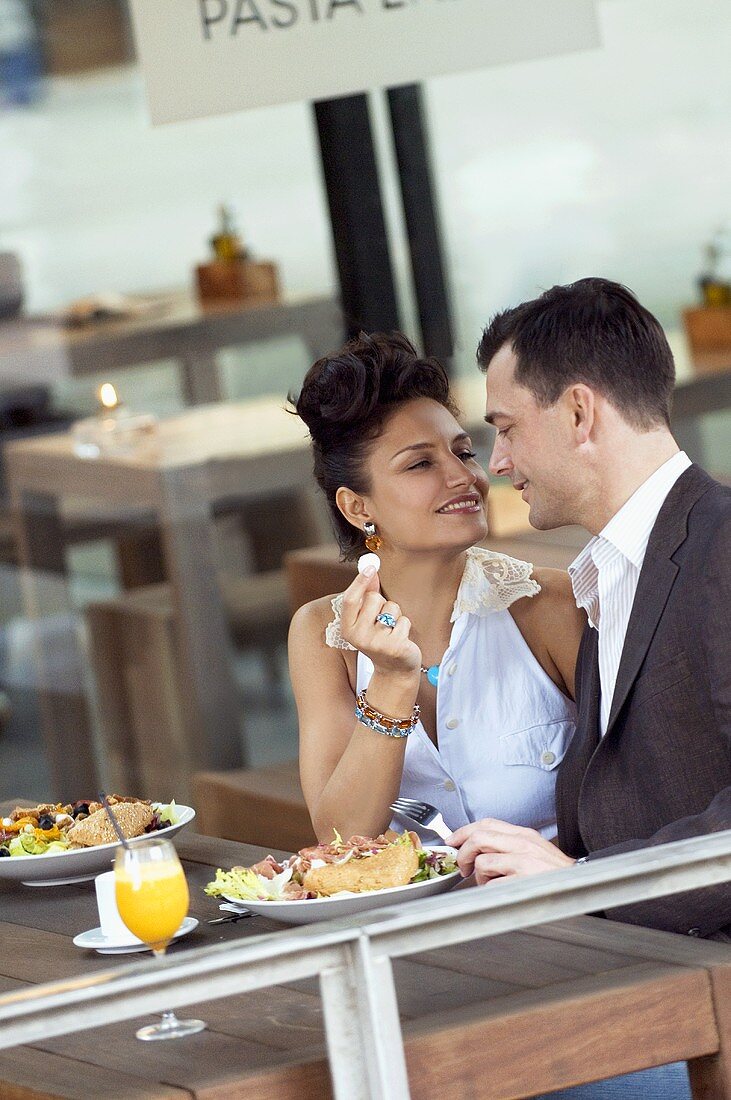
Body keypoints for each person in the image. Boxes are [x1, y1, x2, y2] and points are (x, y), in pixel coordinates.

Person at [449, 277, 730, 944]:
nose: (497, 464)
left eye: (506, 429)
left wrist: (579, 884)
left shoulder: (721, 546)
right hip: (628, 964)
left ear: (578, 414)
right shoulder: (611, 569)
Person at [288, 332, 585, 842]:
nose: (465, 476)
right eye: (421, 463)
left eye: (463, 452)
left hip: (560, 908)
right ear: (358, 508)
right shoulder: (322, 635)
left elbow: (639, 791)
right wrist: (392, 680)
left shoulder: (550, 605)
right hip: (417, 921)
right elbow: (340, 836)